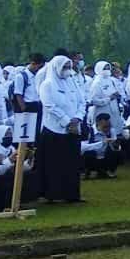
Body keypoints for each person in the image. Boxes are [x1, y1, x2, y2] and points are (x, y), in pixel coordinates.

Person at [36, 55, 85, 202]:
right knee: (54, 165)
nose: (68, 70)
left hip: (73, 129)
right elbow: (49, 106)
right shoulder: (47, 84)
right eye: (64, 67)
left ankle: (71, 195)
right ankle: (52, 195)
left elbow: (82, 101)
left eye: (69, 67)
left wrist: (77, 118)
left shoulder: (72, 82)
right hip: (54, 129)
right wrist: (66, 121)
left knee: (72, 164)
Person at [82, 113, 124, 179]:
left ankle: (109, 171)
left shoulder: (112, 131)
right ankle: (87, 171)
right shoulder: (89, 131)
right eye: (105, 126)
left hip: (105, 157)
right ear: (98, 123)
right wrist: (101, 143)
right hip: (93, 157)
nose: (107, 129)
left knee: (118, 153)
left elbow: (116, 148)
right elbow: (83, 147)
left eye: (109, 126)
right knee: (89, 153)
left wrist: (115, 145)